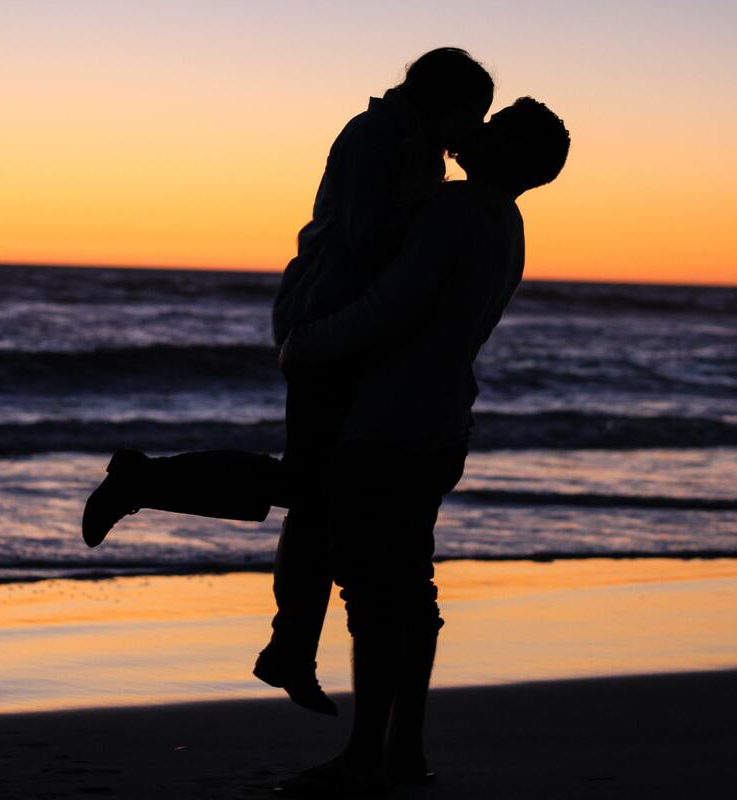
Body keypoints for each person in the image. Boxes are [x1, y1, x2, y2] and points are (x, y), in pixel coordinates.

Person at [82, 48, 494, 716]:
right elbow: (367, 239)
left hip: (347, 328)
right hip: (327, 323)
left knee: (319, 495)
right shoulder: (379, 137)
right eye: (469, 115)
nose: (471, 131)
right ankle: (144, 481)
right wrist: (446, 211)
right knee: (311, 485)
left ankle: (290, 648)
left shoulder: (411, 143)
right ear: (443, 102)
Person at [270, 97, 571, 796]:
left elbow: (391, 305)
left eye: (493, 130)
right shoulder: (503, 220)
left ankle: (367, 756)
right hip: (438, 422)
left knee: (377, 597)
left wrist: (307, 343)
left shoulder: (458, 213)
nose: (476, 129)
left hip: (390, 424)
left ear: (512, 158)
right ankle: (400, 750)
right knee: (411, 593)